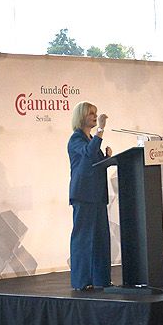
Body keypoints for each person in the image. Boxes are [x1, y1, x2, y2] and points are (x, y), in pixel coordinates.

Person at [66, 101, 112, 290]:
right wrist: (101, 129)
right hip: (84, 195)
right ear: (81, 117)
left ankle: (101, 279)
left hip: (97, 195)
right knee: (83, 239)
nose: (95, 116)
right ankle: (81, 281)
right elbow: (88, 153)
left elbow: (95, 162)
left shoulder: (91, 139)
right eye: (91, 113)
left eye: (96, 113)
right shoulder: (76, 139)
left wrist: (108, 159)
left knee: (101, 239)